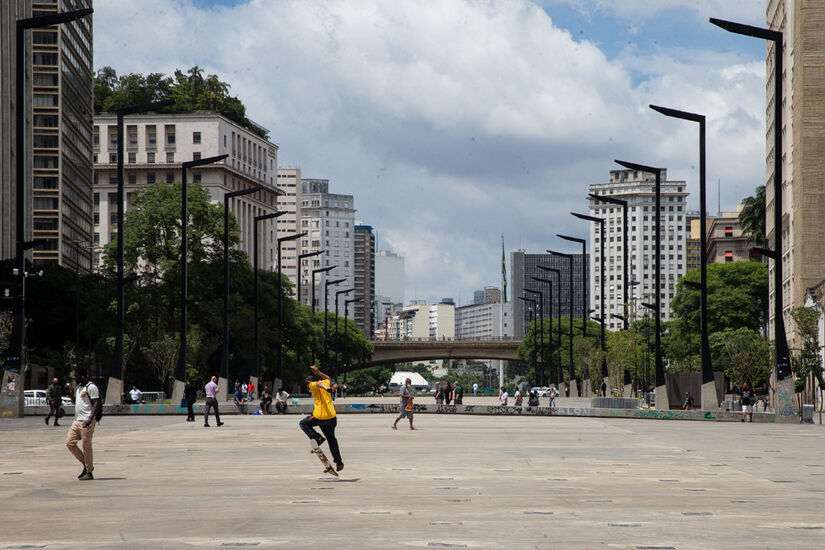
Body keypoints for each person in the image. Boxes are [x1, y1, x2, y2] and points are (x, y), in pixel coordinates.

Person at [299, 365, 343, 472]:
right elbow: (328, 378)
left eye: (307, 384)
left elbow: (319, 384)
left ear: (310, 382)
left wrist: (326, 389)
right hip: (332, 417)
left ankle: (317, 437)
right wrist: (318, 372)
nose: (308, 386)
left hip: (320, 417)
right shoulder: (326, 381)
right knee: (332, 439)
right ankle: (339, 462)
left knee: (303, 423)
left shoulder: (313, 384)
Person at [66, 368, 100, 481]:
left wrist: (90, 419)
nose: (75, 378)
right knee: (70, 443)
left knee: (86, 446)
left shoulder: (91, 387)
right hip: (77, 420)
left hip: (87, 420)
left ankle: (89, 472)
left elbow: (96, 403)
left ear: (83, 376)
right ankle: (87, 465)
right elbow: (76, 402)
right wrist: (69, 393)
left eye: (76, 376)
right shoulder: (79, 388)